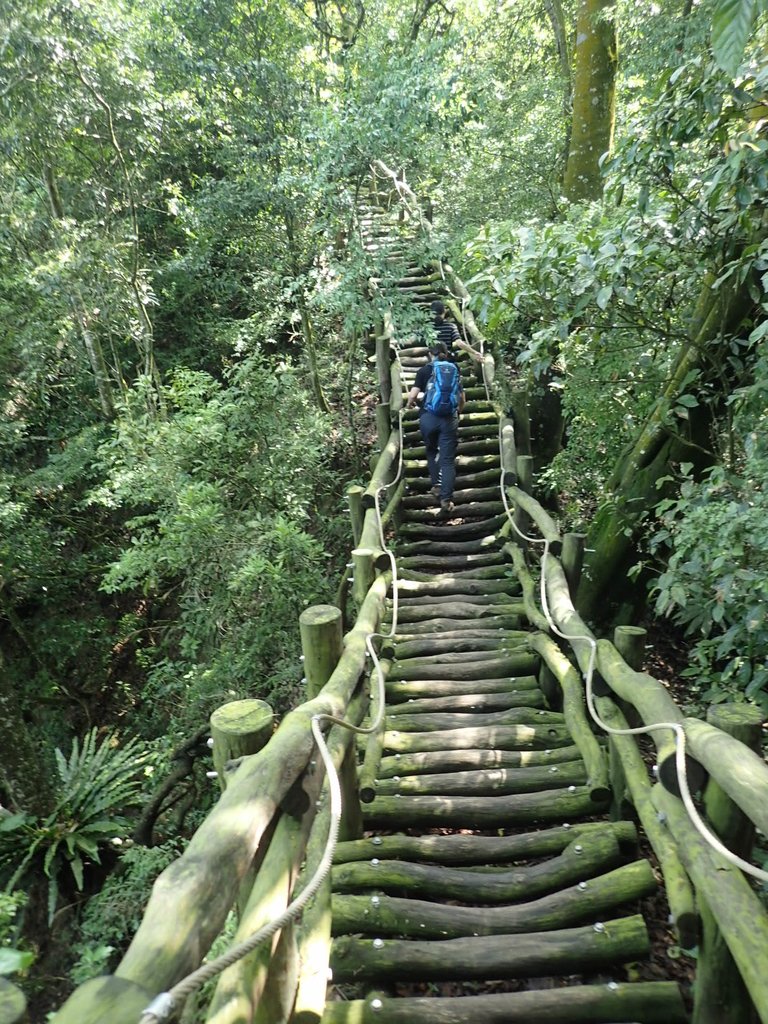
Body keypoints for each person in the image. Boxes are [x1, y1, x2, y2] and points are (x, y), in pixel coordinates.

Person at [406, 335, 465, 514]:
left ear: (430, 354)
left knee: (431, 451)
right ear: (446, 354)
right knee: (447, 460)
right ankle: (446, 499)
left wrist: (411, 405)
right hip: (449, 418)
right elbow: (462, 398)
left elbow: (413, 396)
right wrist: (458, 412)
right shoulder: (454, 369)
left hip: (428, 417)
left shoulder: (424, 371)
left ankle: (436, 486)